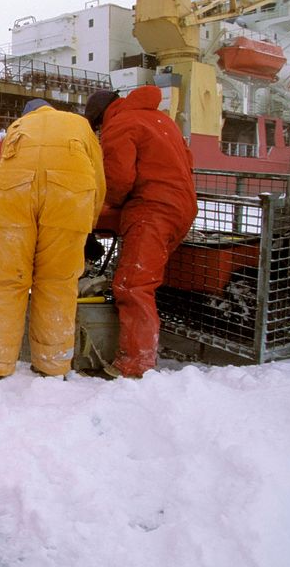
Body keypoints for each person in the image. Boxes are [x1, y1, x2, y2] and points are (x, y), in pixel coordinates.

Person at [0, 99, 105, 382]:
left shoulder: (18, 127)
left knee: (6, 281)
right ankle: (52, 366)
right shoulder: (80, 125)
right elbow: (98, 179)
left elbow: (5, 170)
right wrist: (88, 225)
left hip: (12, 194)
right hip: (68, 196)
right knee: (57, 283)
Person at [84, 86, 198, 378]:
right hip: (181, 207)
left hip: (153, 210)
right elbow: (188, 162)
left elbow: (119, 181)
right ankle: (138, 350)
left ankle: (136, 364)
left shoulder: (120, 124)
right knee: (143, 280)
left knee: (133, 285)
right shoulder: (161, 120)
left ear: (100, 118)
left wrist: (98, 209)